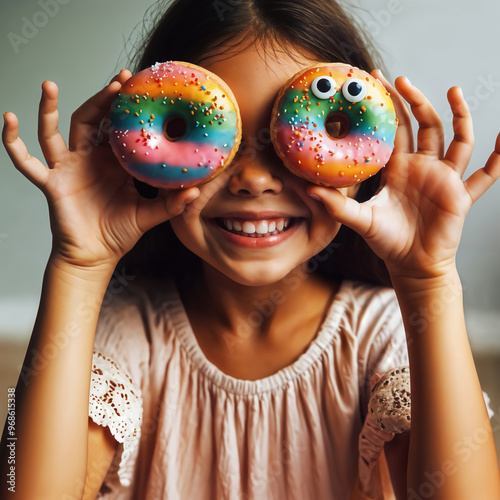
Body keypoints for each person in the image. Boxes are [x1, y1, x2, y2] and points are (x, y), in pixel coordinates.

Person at [1, 0, 500, 498]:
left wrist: (427, 283)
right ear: (146, 151)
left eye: (295, 139)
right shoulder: (126, 337)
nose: (255, 180)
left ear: (364, 162)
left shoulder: (383, 339)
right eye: (213, 139)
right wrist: (79, 266)